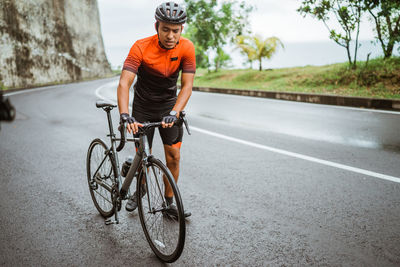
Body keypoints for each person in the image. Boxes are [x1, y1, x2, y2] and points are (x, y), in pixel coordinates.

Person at [117, 2, 195, 218]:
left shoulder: (187, 47)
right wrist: (125, 114)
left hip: (169, 107)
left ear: (181, 30)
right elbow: (124, 83)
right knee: (144, 156)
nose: (170, 35)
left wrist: (175, 112)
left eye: (175, 30)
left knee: (174, 157)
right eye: (165, 29)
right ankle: (139, 189)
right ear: (156, 27)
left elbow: (187, 86)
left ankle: (169, 203)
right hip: (142, 107)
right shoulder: (141, 47)